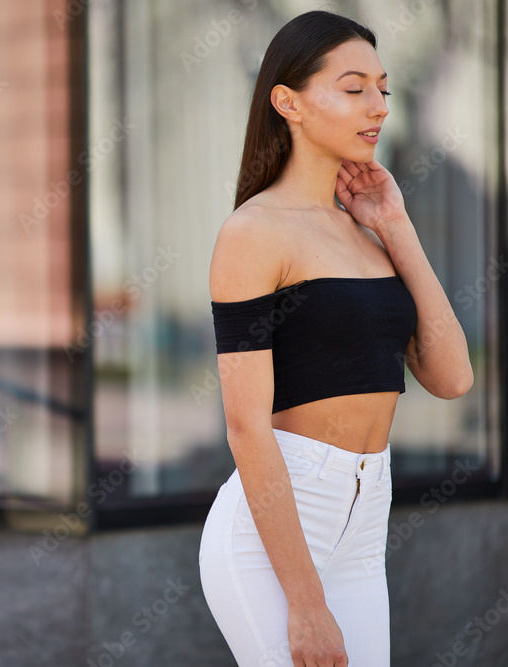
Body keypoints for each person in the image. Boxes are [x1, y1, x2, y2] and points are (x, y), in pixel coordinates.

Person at [197, 10, 474, 667]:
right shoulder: (254, 231)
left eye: (382, 87)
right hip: (276, 528)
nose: (377, 106)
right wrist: (305, 599)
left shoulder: (367, 232)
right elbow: (245, 426)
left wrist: (397, 225)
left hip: (363, 519)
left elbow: (452, 376)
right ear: (287, 102)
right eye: (353, 89)